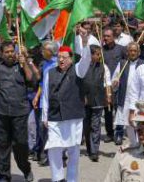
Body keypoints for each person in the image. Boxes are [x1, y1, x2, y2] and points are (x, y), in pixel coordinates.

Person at [41, 44, 93, 182]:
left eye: (64, 57)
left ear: (71, 59)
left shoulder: (77, 70)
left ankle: (71, 179)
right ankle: (57, 178)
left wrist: (85, 40)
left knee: (73, 151)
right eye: (59, 57)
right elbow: (46, 95)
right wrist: (44, 116)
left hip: (73, 117)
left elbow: (86, 59)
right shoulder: (50, 72)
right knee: (54, 149)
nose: (61, 60)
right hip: (55, 116)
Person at [0, 42, 36, 182]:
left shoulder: (21, 64)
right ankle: (4, 175)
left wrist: (25, 63)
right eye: (6, 52)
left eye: (11, 51)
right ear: (1, 53)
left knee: (20, 144)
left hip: (19, 112)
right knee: (2, 144)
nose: (9, 54)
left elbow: (31, 80)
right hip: (1, 111)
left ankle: (26, 169)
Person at [112, 41, 144, 147]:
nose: (133, 53)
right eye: (131, 51)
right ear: (127, 52)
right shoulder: (122, 63)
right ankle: (133, 144)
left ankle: (141, 144)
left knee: (138, 123)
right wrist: (115, 82)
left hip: (138, 99)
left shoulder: (143, 64)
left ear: (139, 52)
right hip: (125, 97)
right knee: (127, 123)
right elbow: (114, 81)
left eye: (135, 51)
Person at [83, 44, 112, 162]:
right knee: (86, 127)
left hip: (98, 100)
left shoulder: (104, 67)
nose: (100, 56)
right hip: (84, 101)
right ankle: (89, 148)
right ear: (91, 55)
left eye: (100, 54)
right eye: (97, 54)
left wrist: (109, 96)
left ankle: (94, 151)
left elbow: (107, 82)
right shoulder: (82, 67)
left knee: (96, 125)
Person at [32, 41, 57, 165]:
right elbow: (42, 83)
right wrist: (37, 96)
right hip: (43, 102)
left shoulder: (58, 64)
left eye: (44, 49)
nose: (42, 51)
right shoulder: (44, 64)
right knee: (42, 128)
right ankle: (47, 153)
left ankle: (55, 155)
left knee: (54, 130)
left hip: (54, 102)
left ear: (51, 52)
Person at [102, 28, 127, 144]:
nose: (105, 38)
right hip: (106, 85)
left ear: (113, 37)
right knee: (108, 110)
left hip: (118, 84)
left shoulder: (121, 50)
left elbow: (126, 64)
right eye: (104, 36)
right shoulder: (101, 51)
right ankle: (109, 133)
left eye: (108, 36)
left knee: (119, 110)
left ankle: (119, 133)